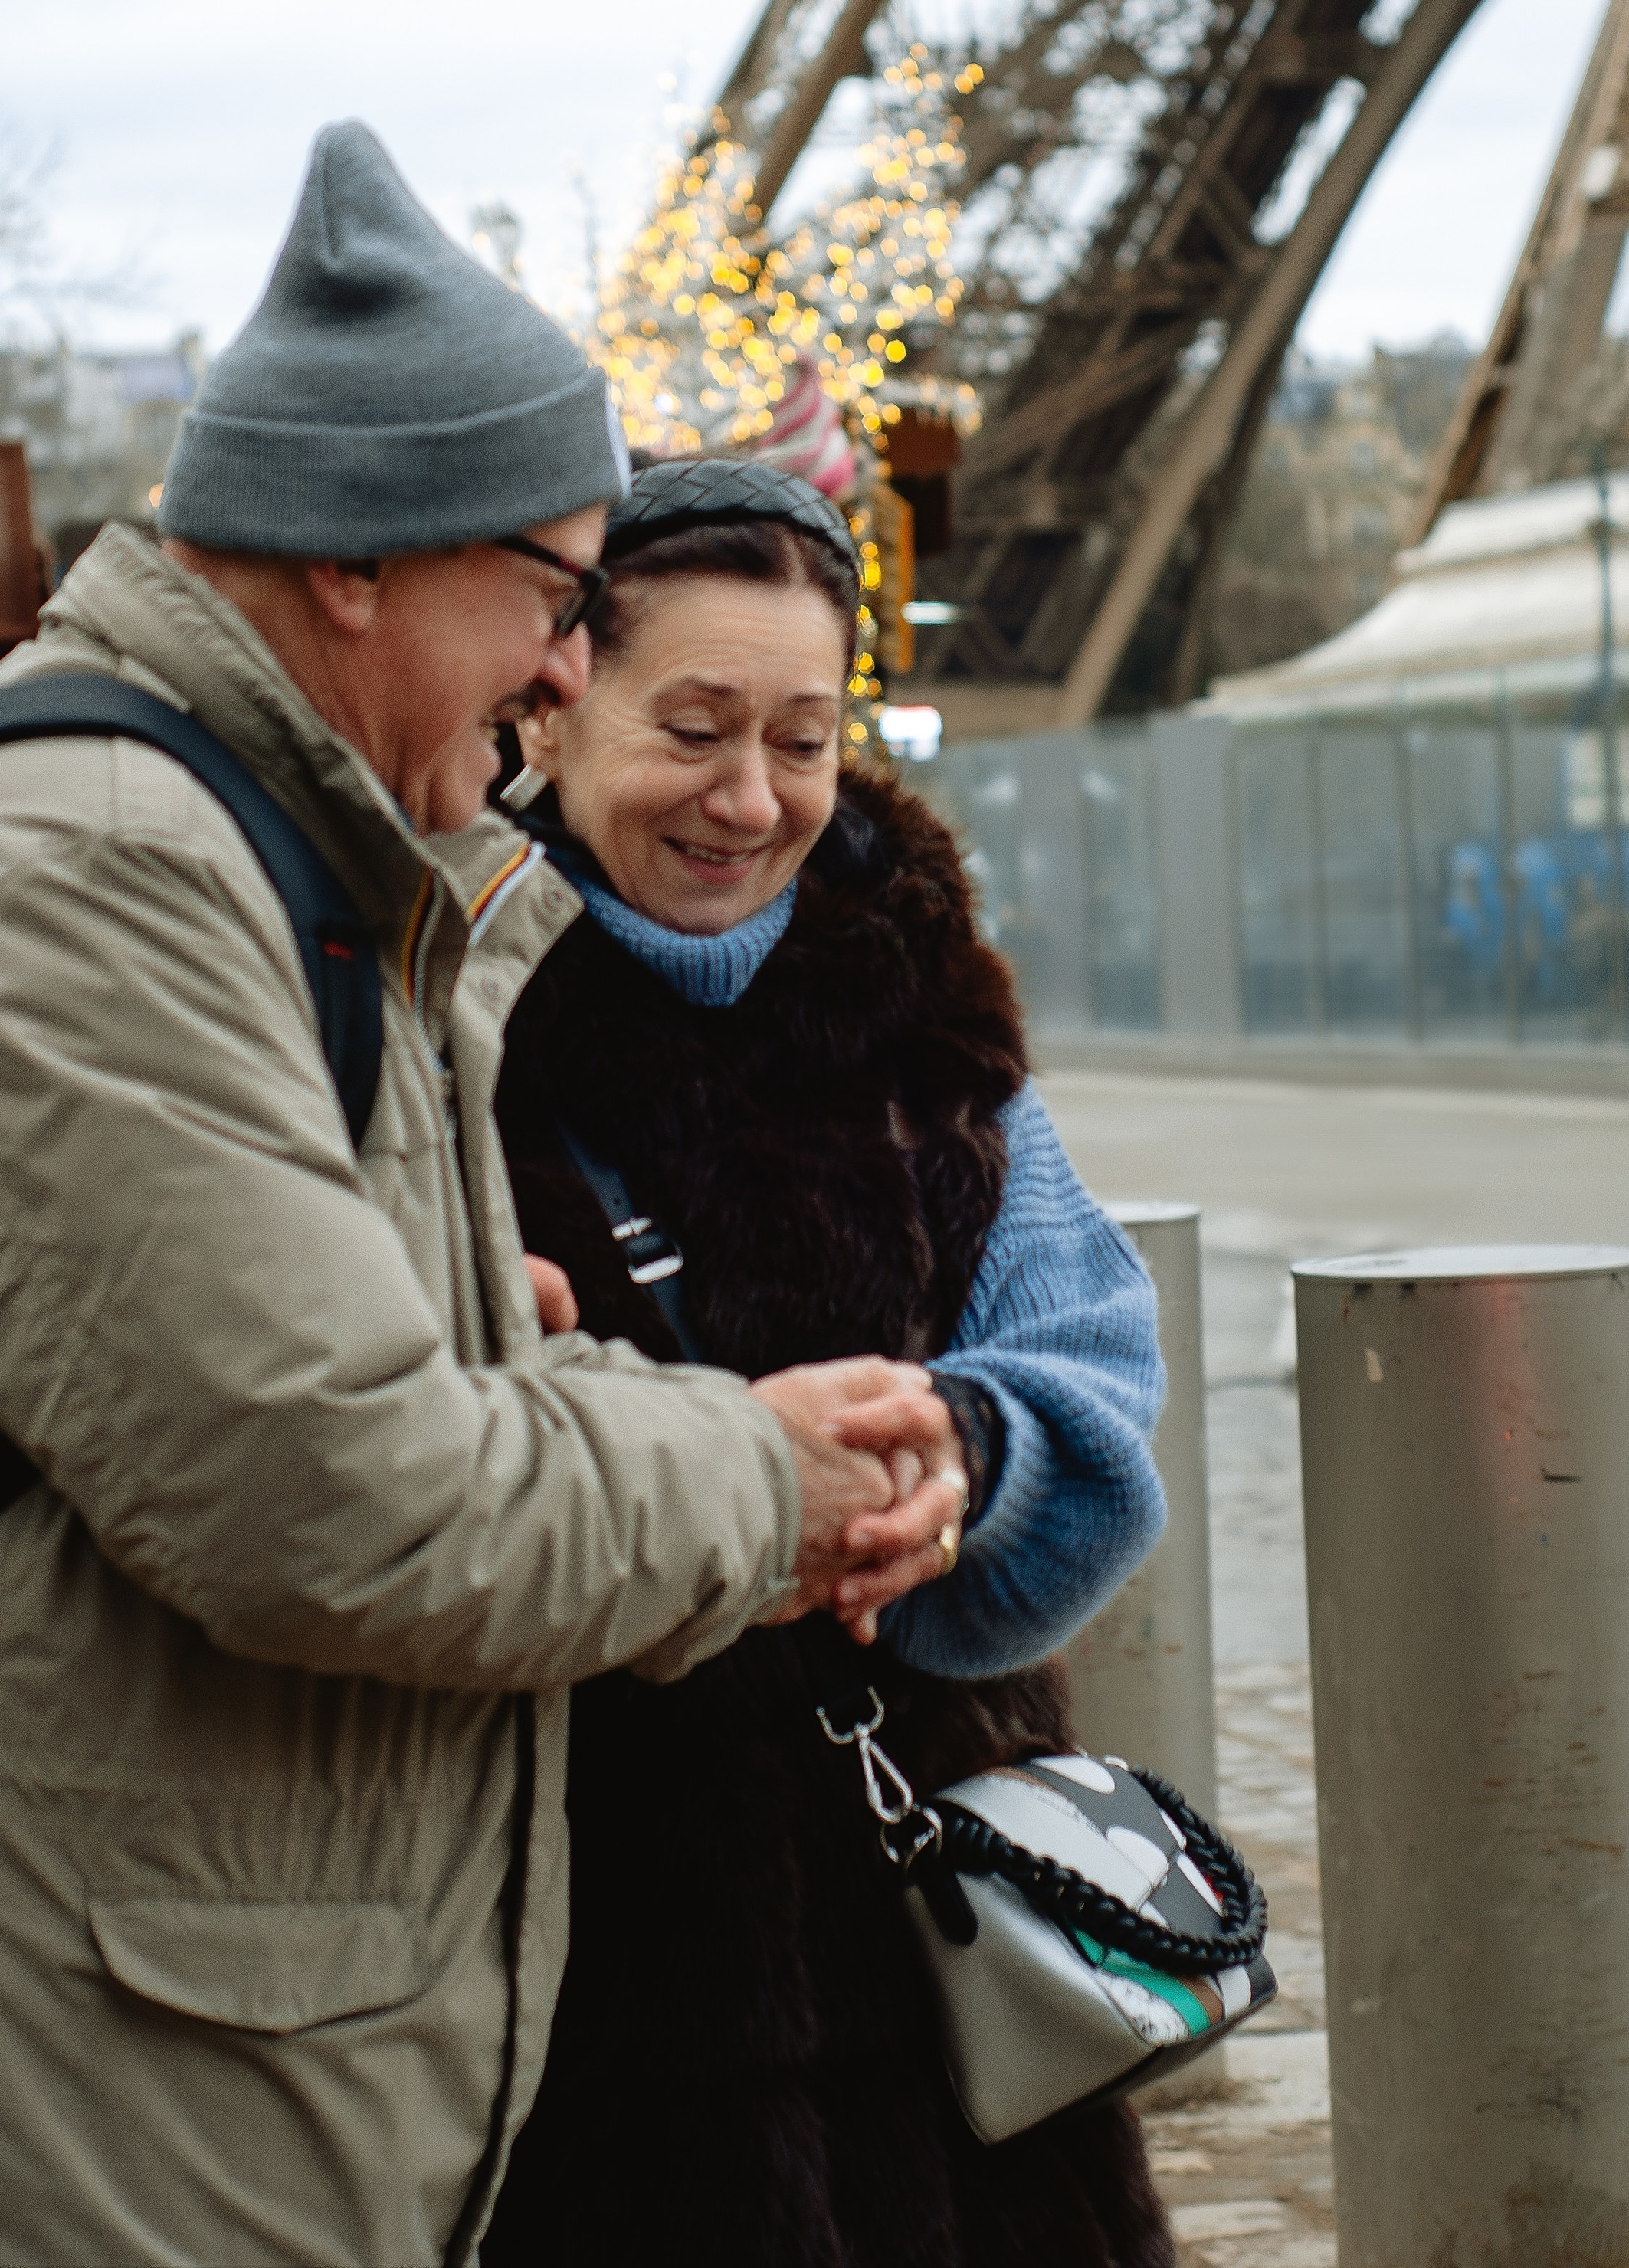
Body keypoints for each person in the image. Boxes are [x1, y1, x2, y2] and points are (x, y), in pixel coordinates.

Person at [0, 128, 965, 2268]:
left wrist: (503, 1361)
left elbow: (251, 1417)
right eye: (552, 597)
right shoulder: (102, 873)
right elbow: (344, 1503)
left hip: (157, 2082)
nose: (558, 670)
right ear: (356, 561)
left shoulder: (234, 859)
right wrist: (761, 1473)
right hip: (74, 2127)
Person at [476, 457, 1175, 2268]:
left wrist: (970, 1454)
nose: (749, 796)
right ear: (553, 712)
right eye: (694, 726)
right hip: (585, 1968)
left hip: (949, 1960)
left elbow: (1088, 1362)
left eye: (801, 736)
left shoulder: (918, 1004)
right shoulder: (437, 1012)